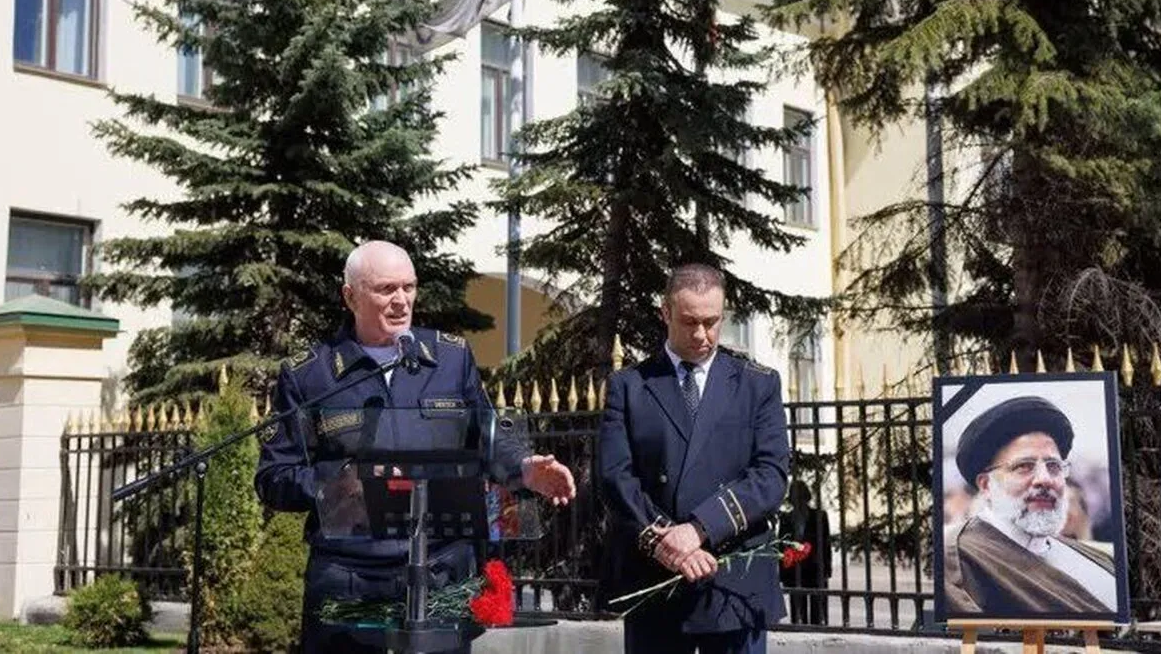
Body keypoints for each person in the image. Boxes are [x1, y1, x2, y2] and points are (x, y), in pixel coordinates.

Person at [254, 241, 576, 653]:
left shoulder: (450, 358)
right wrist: (334, 485)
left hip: (440, 574)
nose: (401, 300)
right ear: (350, 296)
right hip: (350, 580)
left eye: (409, 287)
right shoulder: (310, 374)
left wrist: (525, 467)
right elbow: (274, 477)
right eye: (386, 289)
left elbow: (488, 438)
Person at [598, 263, 790, 654]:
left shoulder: (757, 383)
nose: (702, 334)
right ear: (665, 313)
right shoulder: (629, 386)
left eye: (711, 322)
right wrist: (665, 541)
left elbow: (770, 475)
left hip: (733, 579)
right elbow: (615, 477)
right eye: (689, 322)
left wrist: (700, 528)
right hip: (656, 579)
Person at [943, 395, 1117, 615]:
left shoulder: (1099, 559)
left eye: (1053, 466)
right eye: (1024, 466)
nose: (1045, 479)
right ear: (986, 485)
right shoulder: (958, 559)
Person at [778, 480, 831, 625]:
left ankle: (818, 629)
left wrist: (827, 569)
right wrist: (783, 573)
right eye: (795, 496)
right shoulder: (786, 519)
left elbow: (826, 543)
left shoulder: (820, 516)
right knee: (798, 613)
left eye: (800, 496)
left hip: (815, 568)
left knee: (818, 611)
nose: (798, 500)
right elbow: (782, 546)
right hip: (795, 570)